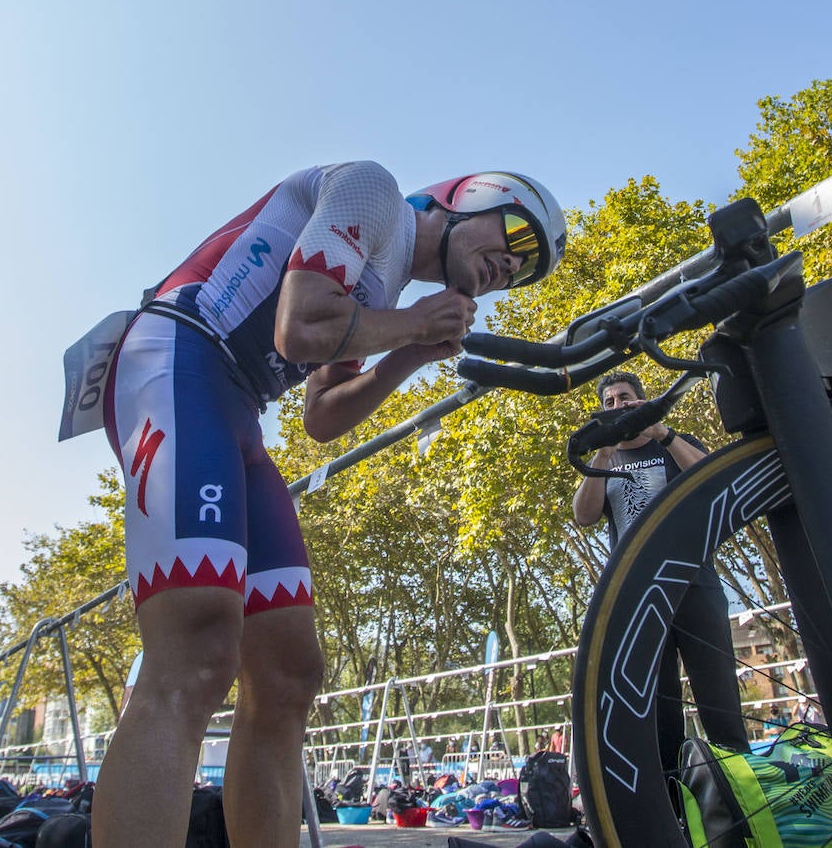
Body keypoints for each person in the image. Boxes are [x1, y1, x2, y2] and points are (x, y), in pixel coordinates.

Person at [81, 164, 566, 848]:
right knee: (197, 648)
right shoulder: (373, 193)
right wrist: (410, 323)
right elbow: (300, 327)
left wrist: (409, 353)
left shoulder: (392, 284)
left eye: (526, 269)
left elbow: (321, 418)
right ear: (468, 197)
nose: (511, 264)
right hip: (180, 354)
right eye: (517, 233)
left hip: (236, 407)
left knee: (289, 672)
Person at [571, 372, 749, 766]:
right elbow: (583, 516)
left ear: (642, 401)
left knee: (718, 695)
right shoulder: (606, 459)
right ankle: (673, 804)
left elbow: (715, 478)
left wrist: (663, 432)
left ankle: (740, 789)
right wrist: (601, 451)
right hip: (639, 595)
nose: (618, 406)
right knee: (659, 706)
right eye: (610, 402)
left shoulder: (676, 444)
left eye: (626, 398)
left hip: (694, 584)